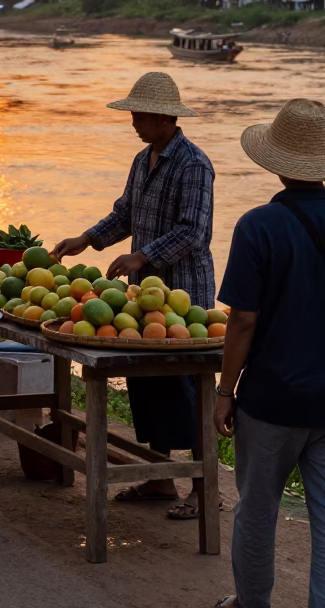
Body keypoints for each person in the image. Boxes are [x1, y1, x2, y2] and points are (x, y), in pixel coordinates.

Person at [52, 70, 215, 520]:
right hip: (146, 296)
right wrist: (85, 239)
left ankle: (204, 489)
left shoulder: (194, 165)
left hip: (185, 295)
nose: (134, 123)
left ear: (165, 118)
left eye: (140, 116)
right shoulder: (144, 159)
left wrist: (142, 256)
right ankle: (162, 478)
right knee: (151, 381)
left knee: (186, 385)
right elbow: (125, 213)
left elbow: (192, 232)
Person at [214, 98, 325, 608]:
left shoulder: (258, 226)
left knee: (257, 513)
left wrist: (224, 392)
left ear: (276, 162)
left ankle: (252, 604)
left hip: (271, 400)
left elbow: (242, 322)